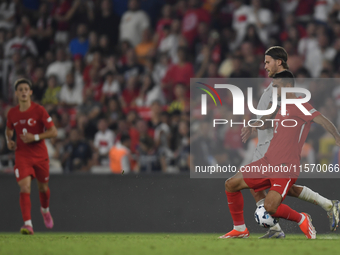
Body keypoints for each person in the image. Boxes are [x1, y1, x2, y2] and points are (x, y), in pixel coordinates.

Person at [220, 70, 340, 239]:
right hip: (267, 161)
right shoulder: (280, 106)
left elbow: (322, 120)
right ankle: (240, 229)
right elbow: (269, 124)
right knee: (231, 184)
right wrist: (255, 124)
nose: (274, 90)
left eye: (276, 86)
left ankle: (302, 218)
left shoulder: (301, 105)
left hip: (285, 166)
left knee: (270, 207)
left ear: (288, 86)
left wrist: (337, 137)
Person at [5, 78, 58, 235]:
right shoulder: (12, 113)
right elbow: (8, 129)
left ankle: (45, 210)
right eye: (20, 89)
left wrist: (34, 137)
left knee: (43, 188)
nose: (23, 92)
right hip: (22, 155)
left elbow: (53, 131)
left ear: (30, 92)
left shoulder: (39, 110)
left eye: (25, 89)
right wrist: (9, 140)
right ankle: (28, 224)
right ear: (16, 93)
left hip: (40, 155)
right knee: (24, 186)